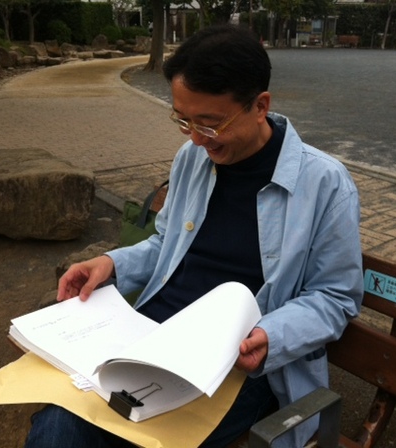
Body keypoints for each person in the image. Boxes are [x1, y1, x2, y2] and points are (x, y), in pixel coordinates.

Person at [24, 24, 363, 448]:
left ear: (260, 106)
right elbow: (165, 243)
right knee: (59, 424)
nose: (198, 139)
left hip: (235, 367)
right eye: (183, 121)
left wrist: (272, 336)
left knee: (101, 434)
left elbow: (336, 296)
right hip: (151, 336)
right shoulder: (193, 157)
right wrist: (112, 264)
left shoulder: (325, 184)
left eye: (211, 124)